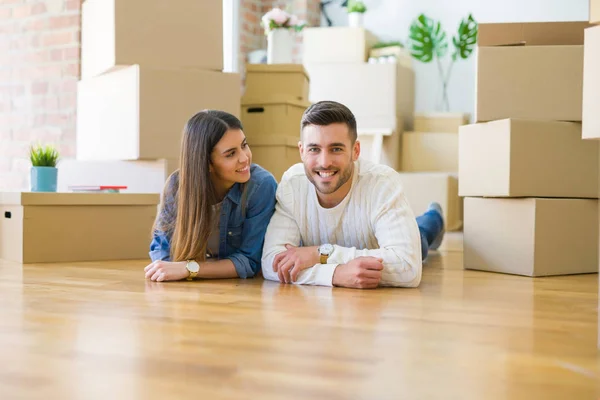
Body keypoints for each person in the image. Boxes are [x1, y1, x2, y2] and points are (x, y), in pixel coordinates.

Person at [261, 101, 445, 289]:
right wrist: (336, 274)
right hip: (371, 256)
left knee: (421, 235)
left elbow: (407, 267)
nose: (324, 162)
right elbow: (271, 263)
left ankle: (434, 216)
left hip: (382, 243)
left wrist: (319, 254)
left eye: (336, 149)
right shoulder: (292, 184)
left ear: (355, 151)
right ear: (301, 151)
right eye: (314, 149)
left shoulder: (382, 183)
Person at [144, 110, 277, 282]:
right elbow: (162, 251)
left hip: (241, 290)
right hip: (191, 290)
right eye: (231, 154)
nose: (245, 158)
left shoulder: (261, 186)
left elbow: (249, 261)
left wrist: (189, 269)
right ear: (206, 163)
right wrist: (170, 271)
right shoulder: (177, 186)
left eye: (244, 145)